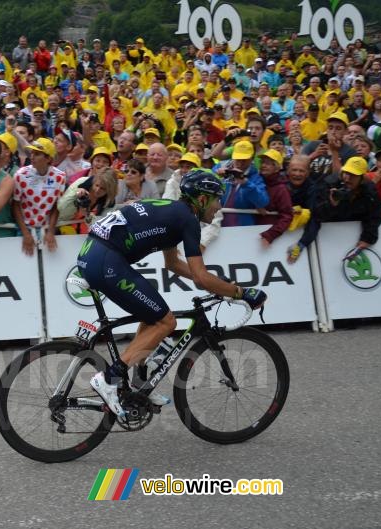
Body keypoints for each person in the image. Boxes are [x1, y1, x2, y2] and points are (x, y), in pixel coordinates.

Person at [82, 169, 267, 416]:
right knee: (166, 321)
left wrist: (217, 283)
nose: (219, 207)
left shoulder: (172, 212)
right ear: (201, 200)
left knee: (153, 317)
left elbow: (173, 264)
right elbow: (200, 277)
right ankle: (109, 378)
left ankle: (138, 379)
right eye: (216, 199)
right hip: (106, 260)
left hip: (94, 254)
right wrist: (241, 292)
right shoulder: (188, 221)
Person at [11, 138, 66, 255]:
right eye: (32, 153)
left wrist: (50, 231)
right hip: (24, 228)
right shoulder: (21, 175)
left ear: (48, 159)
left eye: (37, 154)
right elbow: (15, 205)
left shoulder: (60, 176)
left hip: (46, 229)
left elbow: (56, 206)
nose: (32, 157)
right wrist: (25, 233)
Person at [216, 140, 270, 226]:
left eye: (244, 160)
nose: (240, 163)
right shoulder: (220, 167)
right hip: (218, 225)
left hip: (243, 229)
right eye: (238, 159)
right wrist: (217, 177)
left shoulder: (255, 177)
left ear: (252, 158)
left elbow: (263, 202)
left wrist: (246, 183)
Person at [255, 149, 294, 246]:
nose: (263, 165)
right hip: (247, 231)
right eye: (262, 162)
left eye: (268, 163)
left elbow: (287, 216)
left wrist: (270, 235)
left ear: (276, 167)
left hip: (265, 237)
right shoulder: (255, 181)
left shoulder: (281, 189)